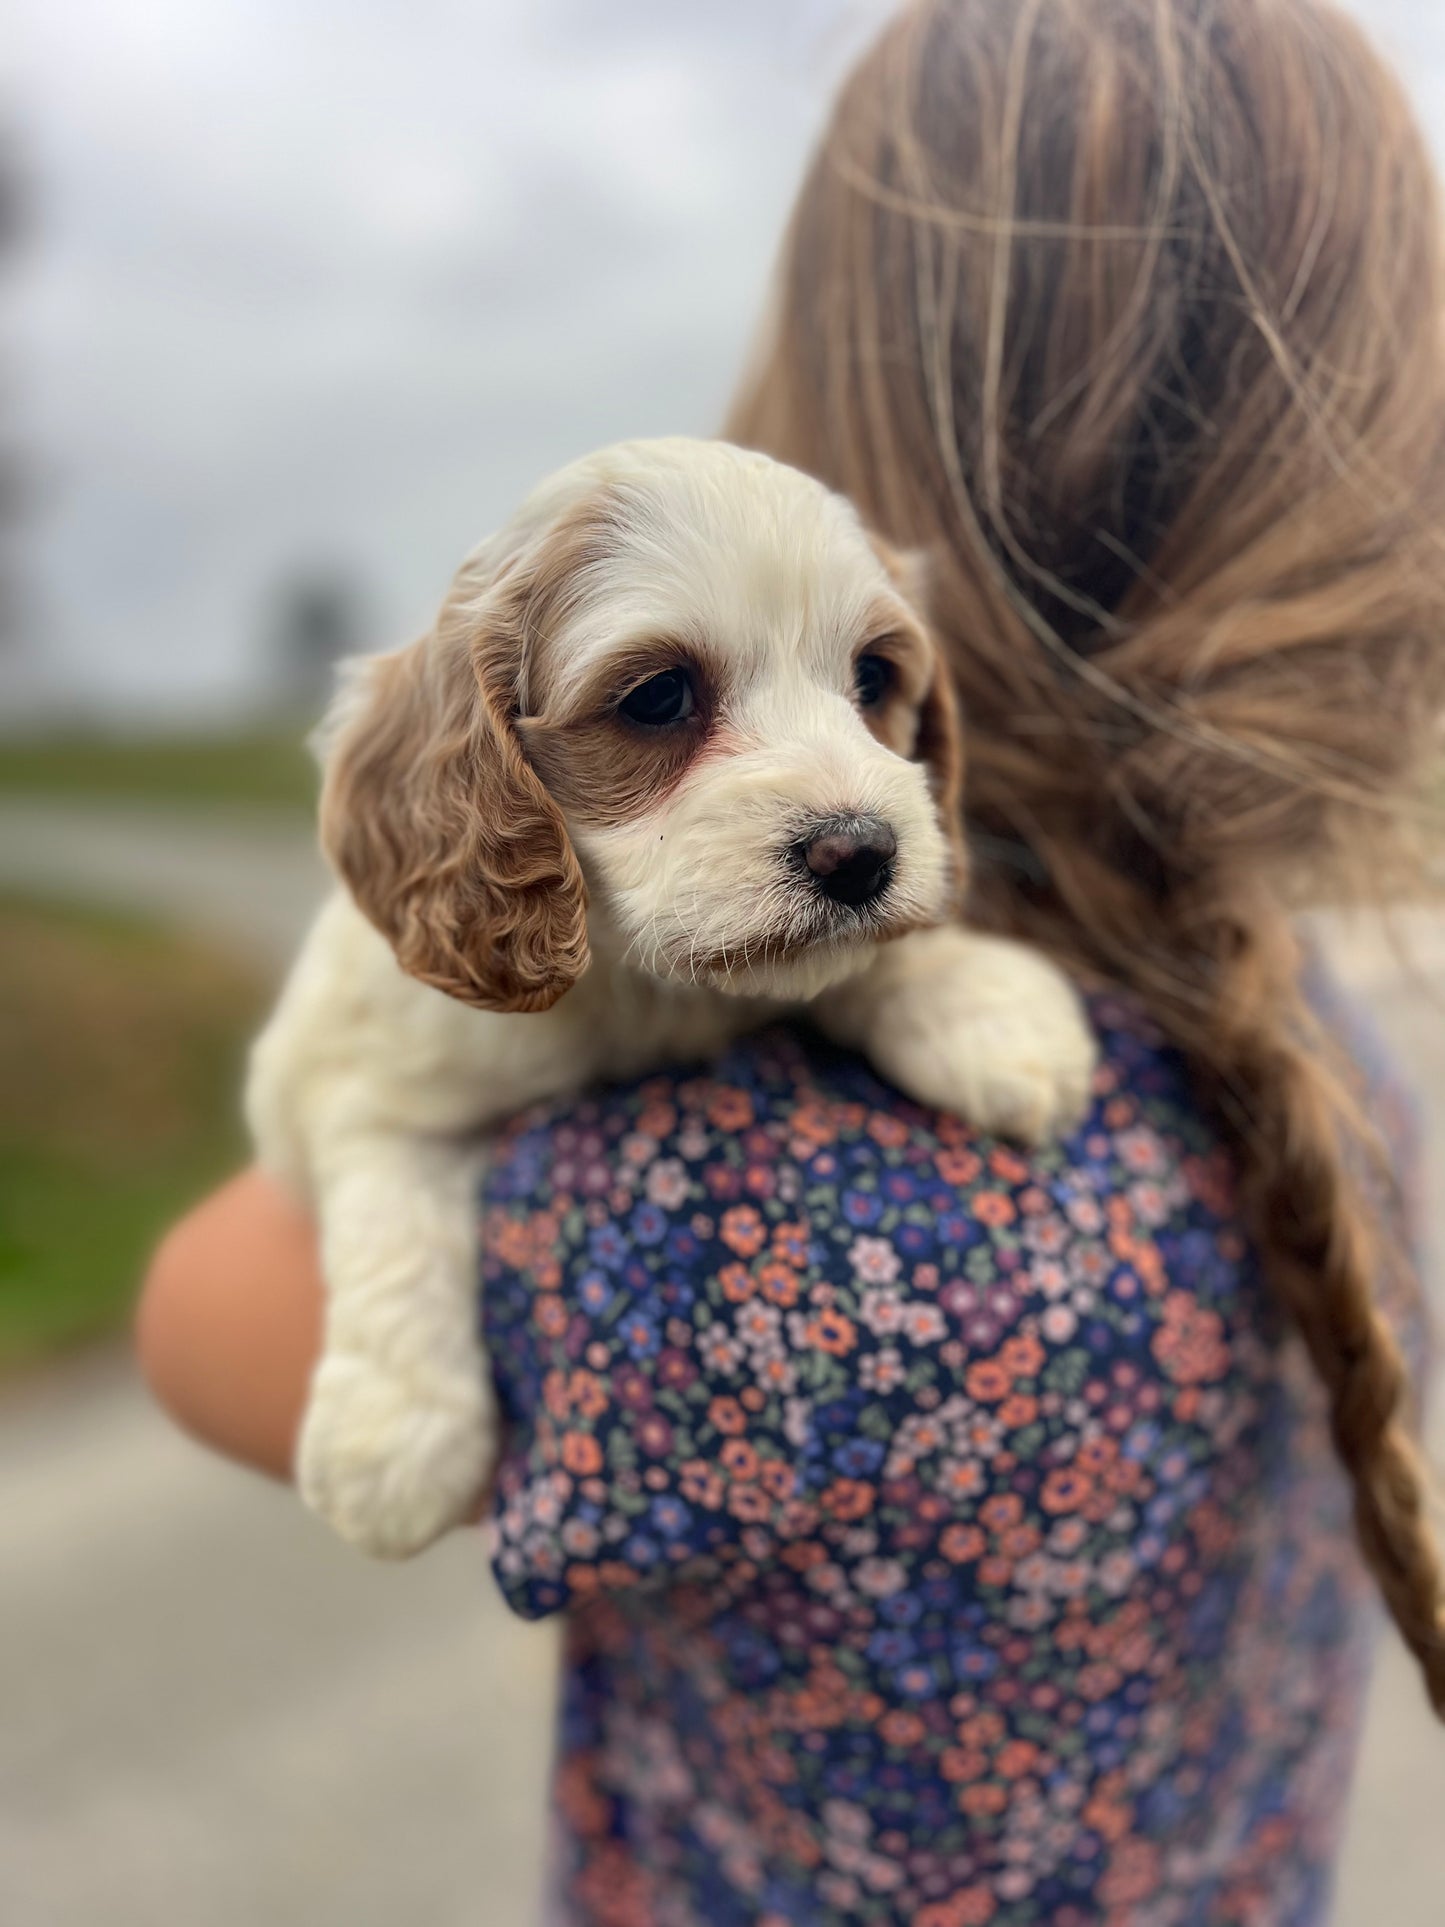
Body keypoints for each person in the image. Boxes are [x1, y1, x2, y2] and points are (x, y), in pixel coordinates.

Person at [138, 0, 1445, 1919]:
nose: (841, 804)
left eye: (872, 683)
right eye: (662, 700)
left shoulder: (742, 1229)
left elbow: (195, 1311)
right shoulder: (1317, 1047)